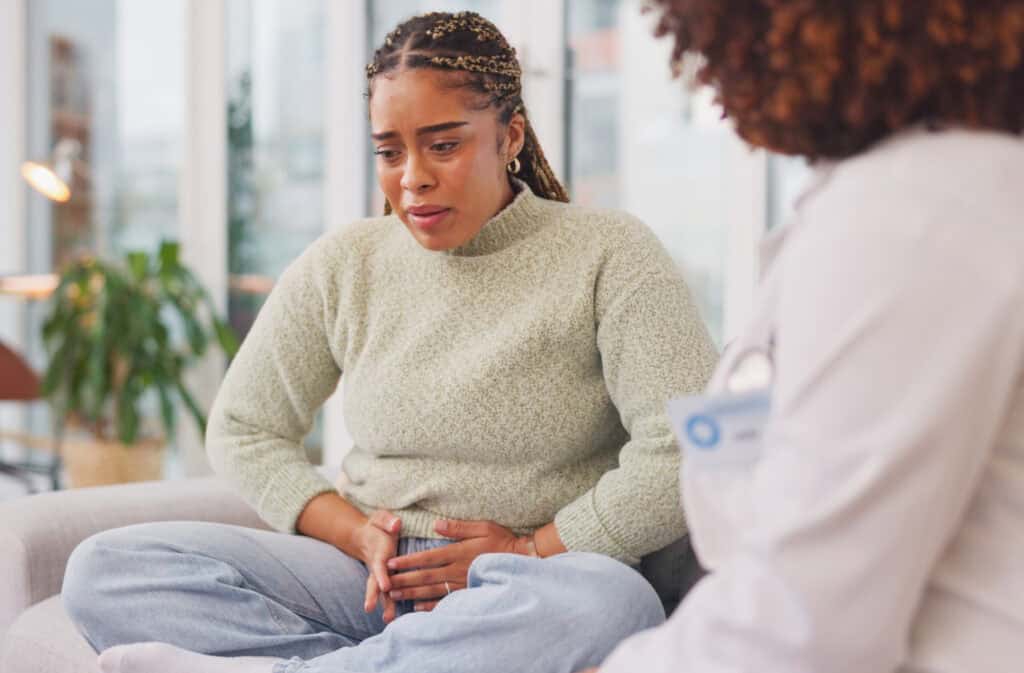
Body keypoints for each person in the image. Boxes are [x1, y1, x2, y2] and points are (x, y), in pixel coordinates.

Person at [60, 11, 719, 673]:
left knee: (613, 602)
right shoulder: (345, 263)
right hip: (365, 579)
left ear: (509, 135)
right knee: (105, 568)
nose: (412, 178)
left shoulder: (610, 253)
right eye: (389, 150)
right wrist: (354, 531)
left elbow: (685, 446)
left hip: (527, 586)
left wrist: (532, 550)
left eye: (443, 144)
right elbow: (242, 427)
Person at [588, 1, 1024, 672]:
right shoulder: (916, 194)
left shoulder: (909, 214)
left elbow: (803, 624)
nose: (702, 74)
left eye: (713, 38)